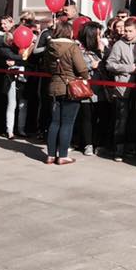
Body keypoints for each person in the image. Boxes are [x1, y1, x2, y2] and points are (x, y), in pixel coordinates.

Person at [43, 20, 90, 165]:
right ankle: (63, 155)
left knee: (55, 122)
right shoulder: (72, 47)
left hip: (54, 86)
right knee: (67, 123)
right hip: (71, 87)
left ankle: (50, 155)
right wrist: (85, 77)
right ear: (68, 32)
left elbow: (46, 67)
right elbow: (82, 68)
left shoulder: (49, 47)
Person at [105, 17, 136, 161]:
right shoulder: (119, 45)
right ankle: (118, 149)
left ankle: (132, 147)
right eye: (126, 30)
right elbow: (110, 64)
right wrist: (128, 68)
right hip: (122, 87)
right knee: (121, 119)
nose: (127, 33)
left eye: (130, 31)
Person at [76, 22, 105, 156]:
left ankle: (97, 142)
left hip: (101, 89)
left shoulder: (100, 50)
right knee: (87, 117)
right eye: (98, 35)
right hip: (85, 89)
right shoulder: (79, 50)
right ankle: (87, 143)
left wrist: (103, 52)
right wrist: (91, 65)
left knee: (99, 117)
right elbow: (78, 66)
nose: (100, 38)